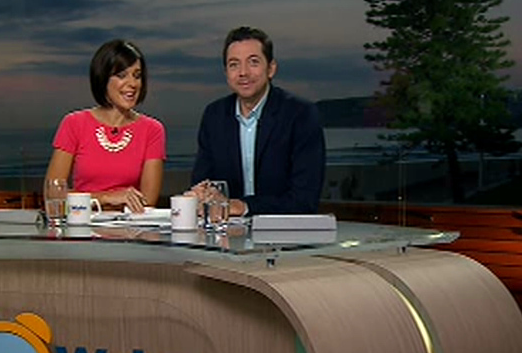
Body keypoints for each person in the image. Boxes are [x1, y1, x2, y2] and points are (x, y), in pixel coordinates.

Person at [190, 26, 325, 216]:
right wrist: (201, 195)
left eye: (253, 62)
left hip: (284, 229)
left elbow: (304, 200)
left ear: (271, 69)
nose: (243, 72)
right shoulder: (215, 116)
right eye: (234, 64)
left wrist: (243, 206)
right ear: (226, 73)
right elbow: (202, 183)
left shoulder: (300, 114)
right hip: (227, 230)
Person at [44, 39, 166, 214]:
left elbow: (147, 203)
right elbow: (53, 196)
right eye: (122, 75)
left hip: (130, 227)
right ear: (103, 78)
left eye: (137, 76)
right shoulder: (74, 124)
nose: (133, 83)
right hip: (82, 225)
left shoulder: (152, 130)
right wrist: (105, 197)